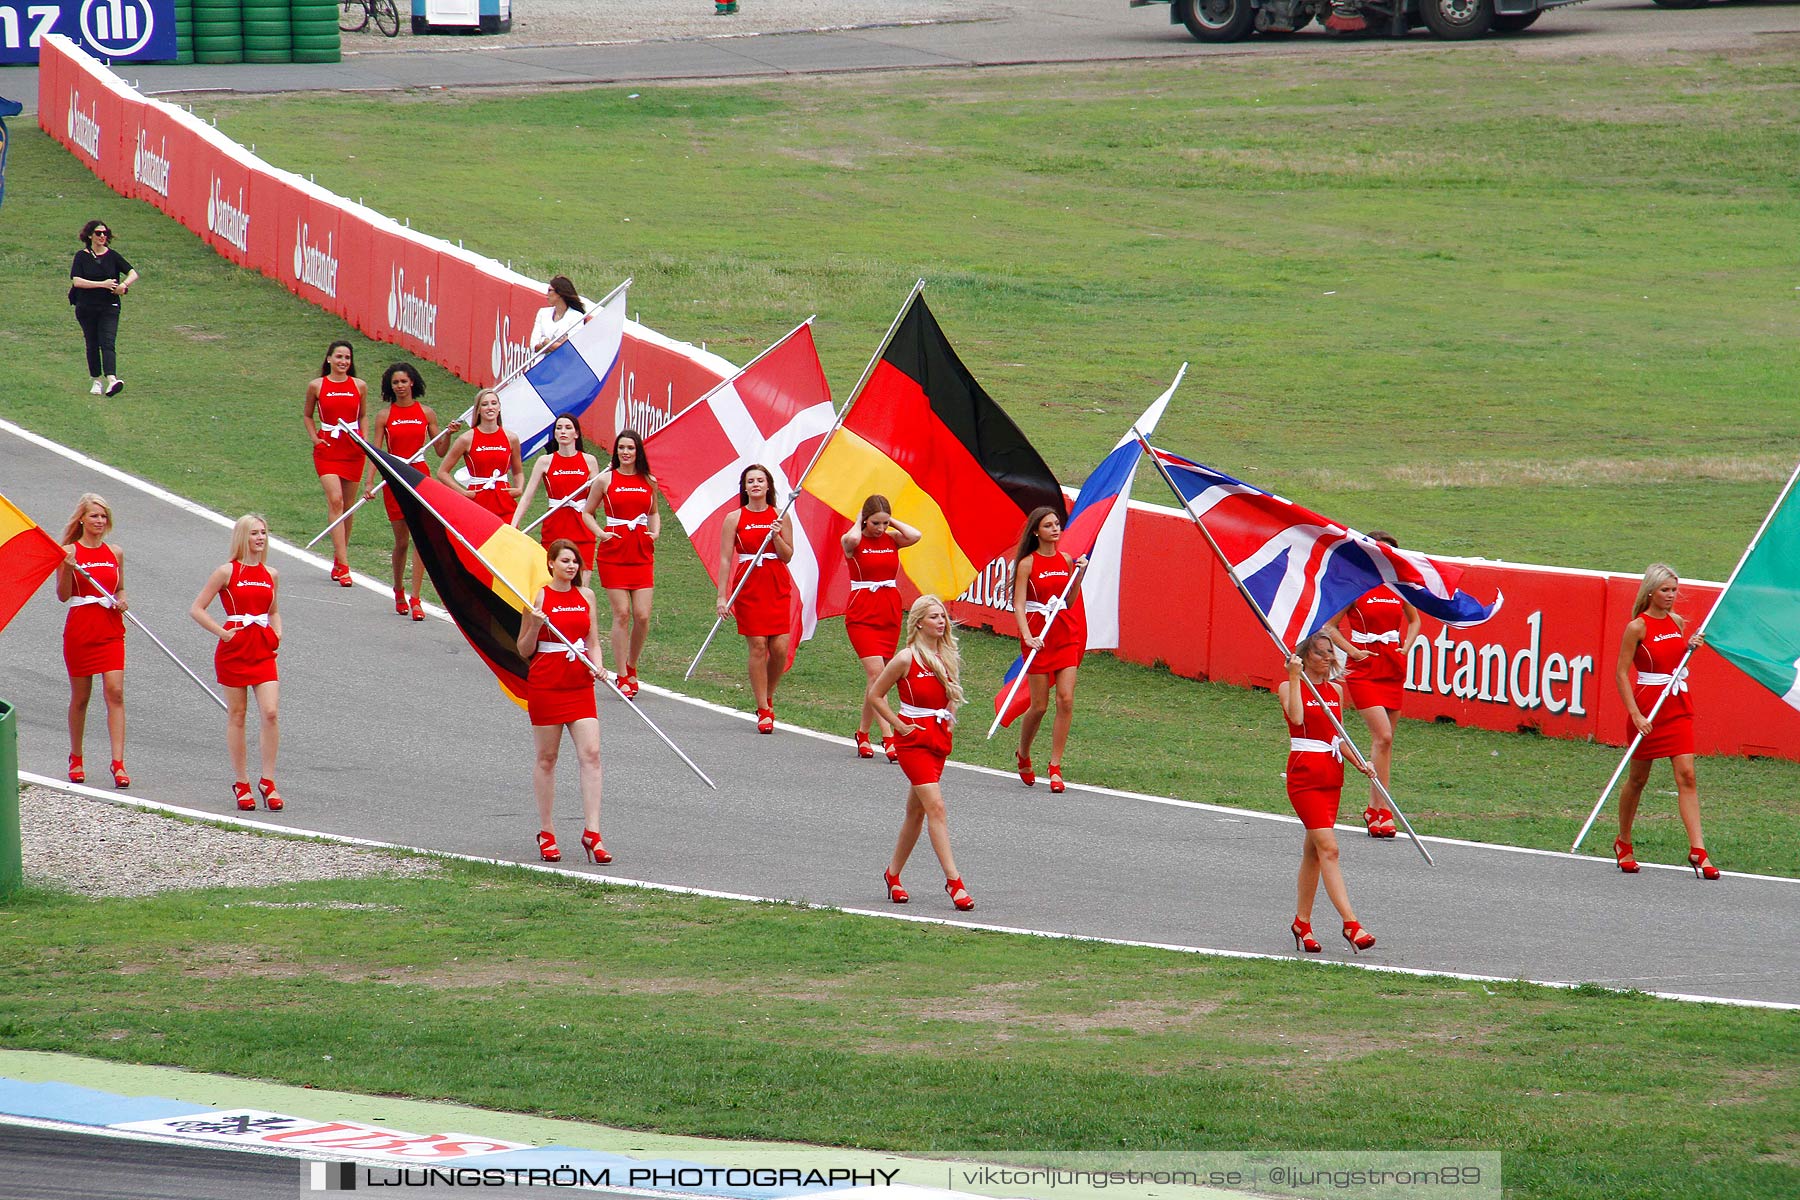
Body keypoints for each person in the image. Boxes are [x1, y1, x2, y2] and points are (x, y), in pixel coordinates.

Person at [866, 595, 973, 912]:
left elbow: (952, 694)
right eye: (934, 617)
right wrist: (899, 726)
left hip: (938, 739)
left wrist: (950, 719)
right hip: (912, 741)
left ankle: (893, 874)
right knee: (936, 808)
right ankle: (954, 883)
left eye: (943, 616)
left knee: (916, 812)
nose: (941, 621)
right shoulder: (905, 658)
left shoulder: (946, 654)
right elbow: (876, 695)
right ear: (919, 622)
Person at [1613, 564, 1718, 879]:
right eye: (1665, 590)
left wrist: (1691, 649)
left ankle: (1698, 850)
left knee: (1687, 775)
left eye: (1674, 590)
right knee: (1638, 779)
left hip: (1677, 705)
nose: (1671, 596)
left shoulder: (1675, 622)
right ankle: (1624, 842)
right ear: (1650, 591)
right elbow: (1621, 672)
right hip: (1648, 707)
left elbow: (1674, 661)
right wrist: (1635, 713)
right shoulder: (1637, 627)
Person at [1280, 631, 1378, 955]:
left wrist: (1361, 762)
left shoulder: (1334, 691)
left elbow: (1337, 736)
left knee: (1313, 852)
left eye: (1330, 653)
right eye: (1321, 653)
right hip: (1305, 776)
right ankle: (1351, 924)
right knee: (1329, 849)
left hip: (1331, 776)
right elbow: (1296, 717)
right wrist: (1294, 678)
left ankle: (1302, 924)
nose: (1328, 658)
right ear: (1306, 655)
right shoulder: (1289, 686)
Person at [516, 539, 609, 866]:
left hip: (579, 683)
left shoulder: (587, 596)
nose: (572, 566)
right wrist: (537, 624)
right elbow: (524, 649)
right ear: (551, 563)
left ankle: (593, 833)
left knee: (592, 755)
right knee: (547, 758)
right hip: (546, 683)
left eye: (575, 562)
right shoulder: (538, 597)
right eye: (566, 561)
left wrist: (598, 664)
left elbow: (593, 641)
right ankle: (547, 831)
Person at [1328, 531, 1421, 839]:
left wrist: (1406, 646)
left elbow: (1415, 620)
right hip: (1364, 667)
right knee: (1381, 734)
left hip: (1392, 665)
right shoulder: (1356, 585)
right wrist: (1352, 650)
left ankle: (1377, 809)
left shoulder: (1399, 587)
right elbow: (1330, 625)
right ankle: (1378, 809)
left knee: (1387, 741)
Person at [190, 515, 284, 813]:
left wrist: (277, 633)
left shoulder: (271, 573)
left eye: (264, 533)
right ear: (243, 537)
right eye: (254, 533)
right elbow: (197, 608)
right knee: (238, 715)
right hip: (235, 648)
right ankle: (241, 782)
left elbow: (274, 610)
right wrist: (222, 632)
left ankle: (268, 780)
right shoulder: (226, 571)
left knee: (270, 713)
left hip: (262, 648)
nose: (260, 538)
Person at [362, 362, 451, 621]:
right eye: (395, 383)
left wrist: (448, 434)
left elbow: (440, 450)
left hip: (420, 477)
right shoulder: (384, 416)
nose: (400, 386)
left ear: (413, 382)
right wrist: (369, 484)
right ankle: (398, 589)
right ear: (390, 387)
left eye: (404, 381)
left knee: (420, 539)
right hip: (395, 477)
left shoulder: (427, 413)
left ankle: (416, 597)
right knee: (401, 541)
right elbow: (374, 453)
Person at [1011, 507, 1087, 794]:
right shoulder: (1027, 564)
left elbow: (1069, 599)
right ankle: (1023, 752)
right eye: (1048, 525)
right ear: (1036, 531)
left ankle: (1055, 766)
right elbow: (1018, 604)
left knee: (1065, 700)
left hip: (1065, 632)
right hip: (1037, 635)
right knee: (1039, 706)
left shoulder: (1066, 559)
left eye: (1057, 524)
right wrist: (1027, 637)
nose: (1055, 529)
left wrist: (1078, 574)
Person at [841, 495, 921, 762]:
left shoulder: (892, 539)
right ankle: (890, 738)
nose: (881, 528)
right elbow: (850, 541)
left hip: (888, 609)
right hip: (862, 611)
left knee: (879, 679)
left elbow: (915, 535)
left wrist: (891, 520)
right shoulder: (855, 540)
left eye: (885, 523)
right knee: (877, 674)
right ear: (865, 519)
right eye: (876, 522)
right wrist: (859, 520)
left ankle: (863, 733)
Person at [57, 493, 129, 788]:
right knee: (81, 697)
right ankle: (76, 756)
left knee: (115, 691)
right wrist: (68, 568)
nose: (100, 521)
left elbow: (120, 588)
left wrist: (123, 600)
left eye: (103, 516)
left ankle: (118, 763)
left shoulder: (115, 552)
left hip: (111, 628)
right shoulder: (67, 551)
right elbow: (62, 595)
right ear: (82, 520)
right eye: (94, 516)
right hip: (81, 628)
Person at [715, 465, 794, 735]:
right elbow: (726, 558)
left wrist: (775, 536)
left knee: (780, 647)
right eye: (751, 481)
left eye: (761, 480)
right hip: (749, 584)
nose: (756, 484)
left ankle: (768, 695)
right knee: (758, 645)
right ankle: (763, 708)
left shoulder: (781, 516)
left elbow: (787, 555)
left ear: (769, 486)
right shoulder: (734, 517)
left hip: (776, 583)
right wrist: (722, 596)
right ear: (744, 487)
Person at [593, 429, 660, 699]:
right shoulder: (605, 480)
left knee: (642, 616)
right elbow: (587, 513)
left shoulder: (648, 481)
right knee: (622, 614)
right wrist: (601, 533)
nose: (625, 452)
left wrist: (654, 533)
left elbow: (654, 513)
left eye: (630, 448)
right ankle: (621, 674)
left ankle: (632, 664)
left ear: (637, 451)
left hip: (641, 553)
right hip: (614, 553)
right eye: (621, 447)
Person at [303, 340, 368, 587]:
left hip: (353, 449)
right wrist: (315, 438)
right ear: (329, 358)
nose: (343, 362)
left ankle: (338, 559)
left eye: (347, 358)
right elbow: (308, 415)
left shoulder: (359, 385)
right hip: (328, 448)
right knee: (336, 500)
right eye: (339, 357)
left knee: (348, 507)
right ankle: (345, 565)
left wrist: (363, 438)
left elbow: (362, 415)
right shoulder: (317, 386)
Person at [512, 413, 604, 572]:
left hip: (583, 529)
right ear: (554, 433)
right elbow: (527, 497)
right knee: (552, 582)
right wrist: (513, 525)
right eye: (559, 428)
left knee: (581, 587)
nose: (562, 431)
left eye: (568, 428)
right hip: (554, 527)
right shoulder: (545, 461)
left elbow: (598, 502)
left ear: (576, 433)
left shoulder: (589, 460)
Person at [68, 219, 138, 397]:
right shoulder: (82, 256)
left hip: (109, 306)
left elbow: (133, 272)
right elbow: (77, 281)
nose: (102, 237)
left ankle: (112, 380)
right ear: (90, 235)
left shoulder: (112, 256)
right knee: (92, 343)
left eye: (105, 233)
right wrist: (103, 284)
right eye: (98, 233)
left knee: (107, 342)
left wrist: (124, 285)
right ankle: (96, 380)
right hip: (86, 307)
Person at [438, 389, 522, 520]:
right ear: (478, 410)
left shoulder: (511, 438)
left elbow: (518, 472)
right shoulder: (466, 439)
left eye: (494, 403)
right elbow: (442, 472)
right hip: (478, 501)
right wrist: (464, 493)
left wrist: (519, 488)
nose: (490, 407)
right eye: (484, 404)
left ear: (499, 407)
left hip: (504, 501)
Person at [530, 276, 586, 353]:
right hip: (541, 363)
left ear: (559, 293)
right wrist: (555, 344)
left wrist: (545, 341)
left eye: (550, 290)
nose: (547, 294)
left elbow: (568, 349)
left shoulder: (576, 317)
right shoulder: (542, 313)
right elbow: (534, 346)